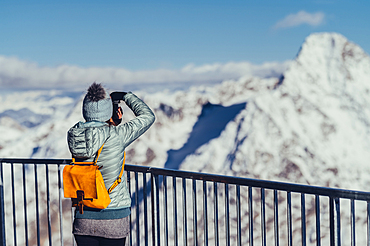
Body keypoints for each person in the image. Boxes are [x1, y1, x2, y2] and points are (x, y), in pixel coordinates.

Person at [67, 82, 155, 246]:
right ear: (108, 112)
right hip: (113, 216)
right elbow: (148, 117)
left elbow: (94, 136)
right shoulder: (117, 135)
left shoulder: (74, 134)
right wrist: (125, 96)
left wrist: (110, 123)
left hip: (83, 215)